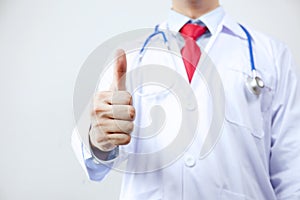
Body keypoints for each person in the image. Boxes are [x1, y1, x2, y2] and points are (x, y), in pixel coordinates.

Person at [72, 0, 300, 199]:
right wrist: (100, 138)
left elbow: (293, 172)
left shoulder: (271, 55)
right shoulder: (130, 56)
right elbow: (94, 160)